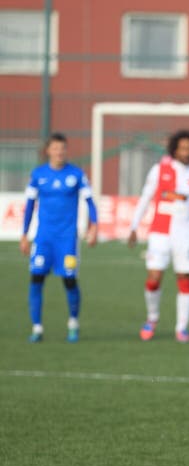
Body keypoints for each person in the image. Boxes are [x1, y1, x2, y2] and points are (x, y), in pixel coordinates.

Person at [127, 130, 189, 343]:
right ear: (174, 149)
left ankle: (182, 327)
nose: (186, 152)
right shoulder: (159, 170)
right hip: (160, 232)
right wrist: (133, 226)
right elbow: (145, 197)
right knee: (154, 277)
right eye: (182, 148)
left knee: (184, 278)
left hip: (184, 234)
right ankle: (152, 318)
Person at [20, 133, 98, 343]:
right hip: (43, 239)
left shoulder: (76, 174)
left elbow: (90, 202)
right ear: (48, 151)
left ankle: (73, 323)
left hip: (67, 240)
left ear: (66, 150)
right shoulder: (38, 175)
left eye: (62, 148)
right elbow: (29, 206)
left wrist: (94, 226)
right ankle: (37, 328)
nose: (59, 152)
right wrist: (24, 235)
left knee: (69, 280)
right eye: (55, 148)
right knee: (36, 279)